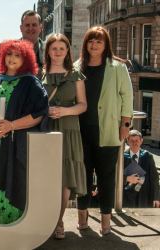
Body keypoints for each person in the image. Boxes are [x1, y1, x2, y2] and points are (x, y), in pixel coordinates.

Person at [74, 26, 133, 235]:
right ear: (85, 44)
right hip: (81, 132)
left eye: (99, 41)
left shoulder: (117, 67)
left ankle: (106, 221)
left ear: (106, 44)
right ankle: (82, 217)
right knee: (84, 176)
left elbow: (127, 95)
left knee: (106, 177)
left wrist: (125, 124)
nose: (94, 45)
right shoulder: (76, 67)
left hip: (108, 131)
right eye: (91, 41)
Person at [0, 39, 48, 225]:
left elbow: (40, 113)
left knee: (16, 180)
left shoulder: (31, 82)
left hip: (17, 142)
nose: (12, 58)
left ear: (26, 58)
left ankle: (16, 231)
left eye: (17, 55)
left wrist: (11, 126)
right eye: (9, 54)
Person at [40, 33, 87, 239]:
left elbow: (83, 105)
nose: (58, 52)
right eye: (54, 48)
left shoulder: (76, 75)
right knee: (44, 175)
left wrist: (64, 111)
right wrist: (46, 111)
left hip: (68, 128)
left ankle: (58, 222)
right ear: (47, 51)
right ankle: (43, 219)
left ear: (68, 51)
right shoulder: (38, 74)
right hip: (44, 127)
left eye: (62, 48)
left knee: (64, 177)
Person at [0, 10, 44, 75]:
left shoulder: (51, 50)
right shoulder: (7, 50)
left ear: (40, 27)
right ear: (21, 28)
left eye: (34, 25)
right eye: (27, 25)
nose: (31, 28)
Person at [123, 130, 160, 208]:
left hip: (143, 196)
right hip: (125, 196)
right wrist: (126, 178)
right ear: (127, 141)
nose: (134, 143)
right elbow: (114, 175)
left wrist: (156, 198)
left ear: (141, 141)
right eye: (132, 141)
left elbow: (154, 178)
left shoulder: (147, 156)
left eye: (136, 140)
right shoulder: (122, 157)